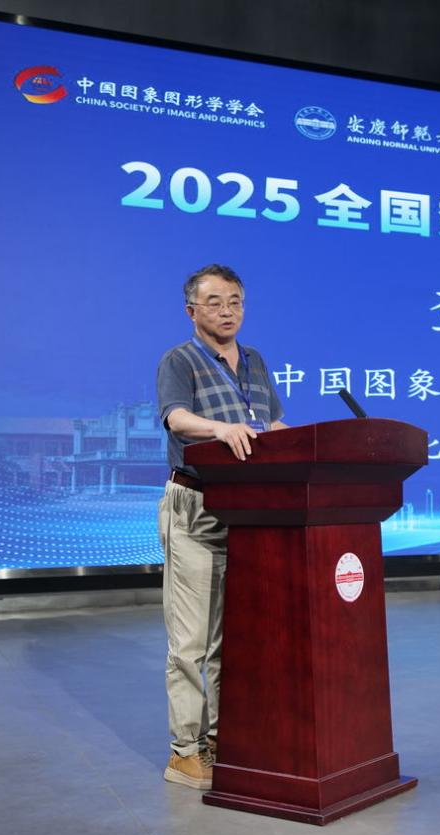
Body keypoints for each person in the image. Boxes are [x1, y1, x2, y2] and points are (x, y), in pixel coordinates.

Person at [155, 264, 288, 790]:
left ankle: (224, 737)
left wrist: (304, 442)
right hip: (196, 506)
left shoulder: (254, 361)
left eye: (235, 301)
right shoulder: (179, 360)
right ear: (192, 311)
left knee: (236, 636)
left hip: (250, 510)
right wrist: (221, 428)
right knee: (192, 639)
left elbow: (270, 422)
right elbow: (177, 419)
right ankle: (186, 752)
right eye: (214, 302)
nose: (227, 311)